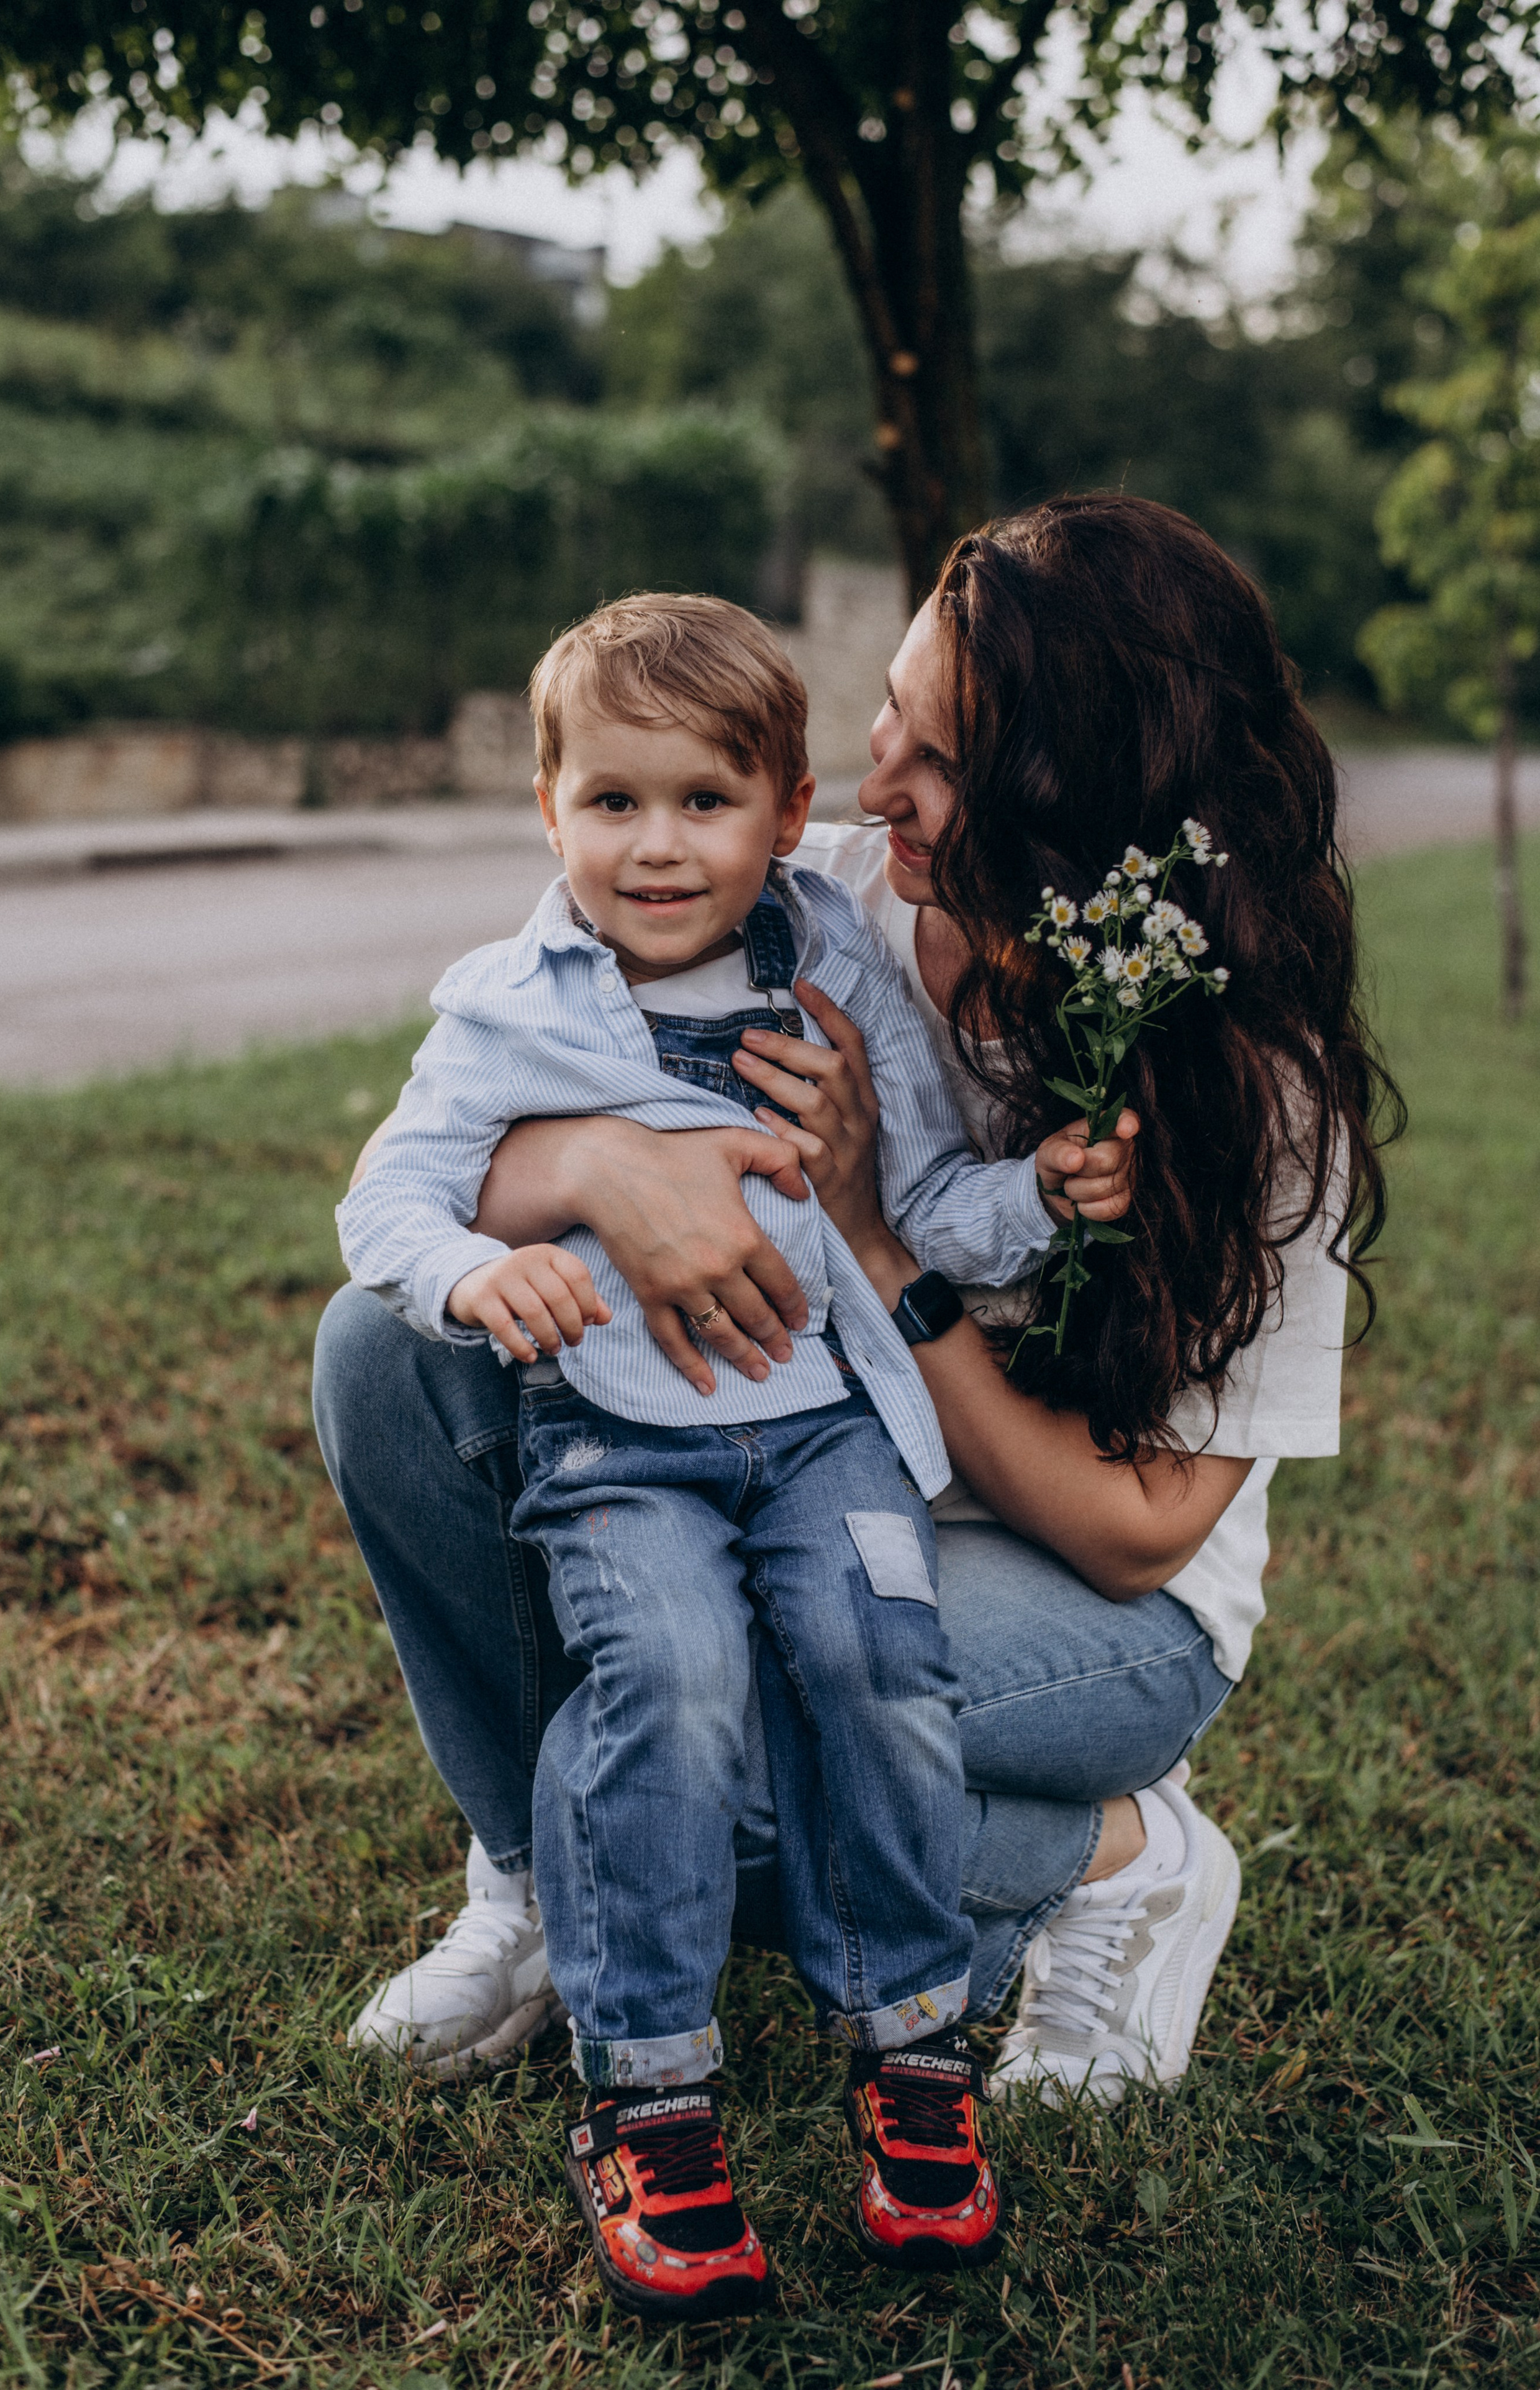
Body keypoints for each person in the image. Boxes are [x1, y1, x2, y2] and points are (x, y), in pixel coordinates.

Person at [315, 494, 1394, 2152]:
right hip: (756, 1475)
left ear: (1086, 805)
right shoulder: (805, 899)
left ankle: (1121, 1859)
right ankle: (538, 1889)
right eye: (894, 710)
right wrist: (605, 1164)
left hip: (1082, 1602)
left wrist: (876, 1229)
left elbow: (1137, 1535)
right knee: (390, 1353)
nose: (885, 779)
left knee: (715, 1757)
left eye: (951, 762)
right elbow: (449, 1145)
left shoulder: (1248, 1084)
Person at [336, 593, 1131, 2316]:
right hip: (617, 1446)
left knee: (876, 1660)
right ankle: (651, 2095)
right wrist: (481, 1268)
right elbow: (383, 1201)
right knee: (674, 1682)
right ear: (548, 809)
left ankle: (913, 2056)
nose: (658, 844)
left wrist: (1037, 1199)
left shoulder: (828, 979)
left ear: (785, 812)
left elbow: (912, 1201)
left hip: (827, 1434)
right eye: (611, 801)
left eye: (705, 800)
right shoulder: (508, 1004)